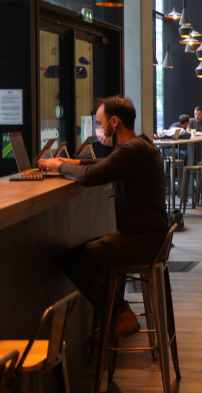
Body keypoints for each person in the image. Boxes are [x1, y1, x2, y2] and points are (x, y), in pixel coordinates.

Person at [39, 96, 168, 343]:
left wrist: (61, 167)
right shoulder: (140, 145)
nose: (98, 129)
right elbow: (104, 164)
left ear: (114, 122)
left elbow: (91, 176)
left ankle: (120, 315)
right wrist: (73, 162)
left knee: (72, 259)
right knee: (88, 253)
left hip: (140, 243)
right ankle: (117, 313)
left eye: (100, 122)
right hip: (152, 239)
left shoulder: (130, 151)